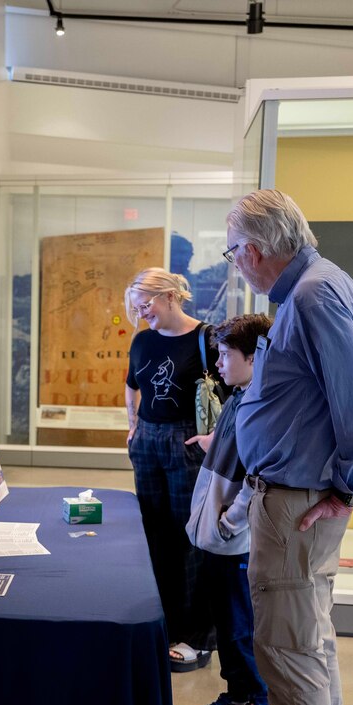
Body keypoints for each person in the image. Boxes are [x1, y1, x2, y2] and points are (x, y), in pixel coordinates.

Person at [203, 190, 353, 705]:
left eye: (232, 251)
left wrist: (347, 485)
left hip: (296, 504)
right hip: (298, 498)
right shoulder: (319, 287)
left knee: (289, 653)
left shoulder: (312, 296)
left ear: (255, 249)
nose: (234, 263)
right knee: (309, 645)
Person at [122, 268, 221, 671]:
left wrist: (215, 438)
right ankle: (165, 624)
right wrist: (132, 425)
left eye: (145, 304)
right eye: (135, 308)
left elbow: (234, 390)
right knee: (154, 533)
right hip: (148, 440)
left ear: (169, 296)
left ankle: (199, 636)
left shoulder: (206, 338)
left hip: (187, 441)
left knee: (191, 537)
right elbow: (132, 384)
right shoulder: (143, 340)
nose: (141, 313)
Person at [183, 314, 273, 705]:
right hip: (220, 539)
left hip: (236, 541)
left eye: (225, 354)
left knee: (240, 628)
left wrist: (228, 523)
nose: (218, 364)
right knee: (225, 623)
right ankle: (238, 696)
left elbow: (258, 478)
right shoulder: (239, 396)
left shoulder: (262, 405)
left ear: (254, 357)